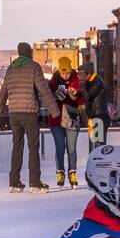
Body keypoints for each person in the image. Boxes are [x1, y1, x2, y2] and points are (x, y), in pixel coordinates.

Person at [0, 42, 56, 193]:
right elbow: (43, 90)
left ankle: (14, 182)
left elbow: (3, 92)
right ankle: (34, 182)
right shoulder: (34, 67)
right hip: (29, 113)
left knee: (17, 147)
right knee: (33, 148)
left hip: (14, 113)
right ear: (29, 53)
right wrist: (54, 110)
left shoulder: (11, 68)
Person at [48, 55, 83, 189]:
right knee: (60, 148)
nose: (66, 75)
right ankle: (60, 172)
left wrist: (74, 95)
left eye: (67, 72)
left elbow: (81, 101)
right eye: (63, 73)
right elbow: (46, 97)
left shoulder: (77, 81)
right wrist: (55, 95)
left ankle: (72, 173)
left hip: (72, 119)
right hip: (56, 120)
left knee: (72, 148)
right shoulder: (53, 82)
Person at [81, 64, 110, 146]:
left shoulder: (97, 82)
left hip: (99, 117)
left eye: (82, 74)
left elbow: (88, 96)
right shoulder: (91, 82)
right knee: (94, 142)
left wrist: (82, 87)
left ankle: (98, 159)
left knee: (98, 144)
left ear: (89, 74)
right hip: (94, 117)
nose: (80, 77)